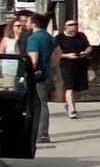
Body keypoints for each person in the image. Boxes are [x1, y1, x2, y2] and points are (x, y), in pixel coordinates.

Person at [22, 14, 57, 146]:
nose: (26, 24)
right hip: (48, 73)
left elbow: (34, 58)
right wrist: (52, 66)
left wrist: (28, 73)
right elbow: (58, 53)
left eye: (28, 22)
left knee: (39, 104)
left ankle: (41, 133)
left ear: (34, 24)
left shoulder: (33, 38)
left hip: (37, 75)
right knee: (43, 102)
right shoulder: (49, 37)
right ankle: (42, 132)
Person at [55, 18, 93, 119]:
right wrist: (67, 55)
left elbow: (89, 47)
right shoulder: (59, 38)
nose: (73, 27)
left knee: (78, 89)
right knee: (70, 87)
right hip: (66, 65)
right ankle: (72, 109)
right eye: (70, 25)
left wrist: (85, 53)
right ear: (65, 27)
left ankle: (69, 104)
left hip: (80, 64)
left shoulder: (81, 35)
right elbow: (54, 53)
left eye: (75, 25)